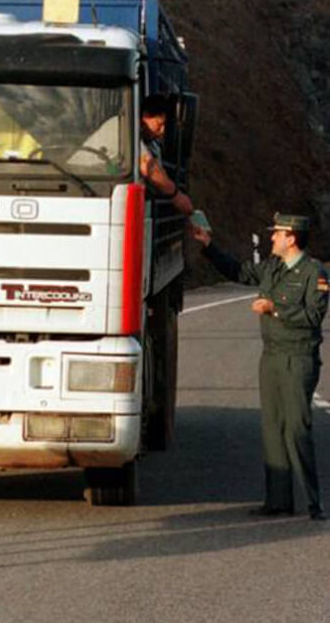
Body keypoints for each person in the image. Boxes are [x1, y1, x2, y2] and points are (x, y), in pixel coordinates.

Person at [191, 214, 328, 520]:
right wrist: (209, 246)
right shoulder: (273, 267)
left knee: (296, 428)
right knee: (272, 428)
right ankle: (278, 500)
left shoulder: (313, 272)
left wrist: (275, 309)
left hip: (298, 356)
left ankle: (313, 502)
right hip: (272, 356)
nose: (272, 238)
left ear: (291, 238)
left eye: (277, 234)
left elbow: (313, 316)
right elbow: (240, 271)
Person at [140, 95, 194, 216]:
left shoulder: (152, 146)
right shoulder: (125, 131)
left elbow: (160, 175)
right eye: (159, 124)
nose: (163, 130)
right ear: (146, 116)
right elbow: (148, 167)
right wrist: (177, 197)